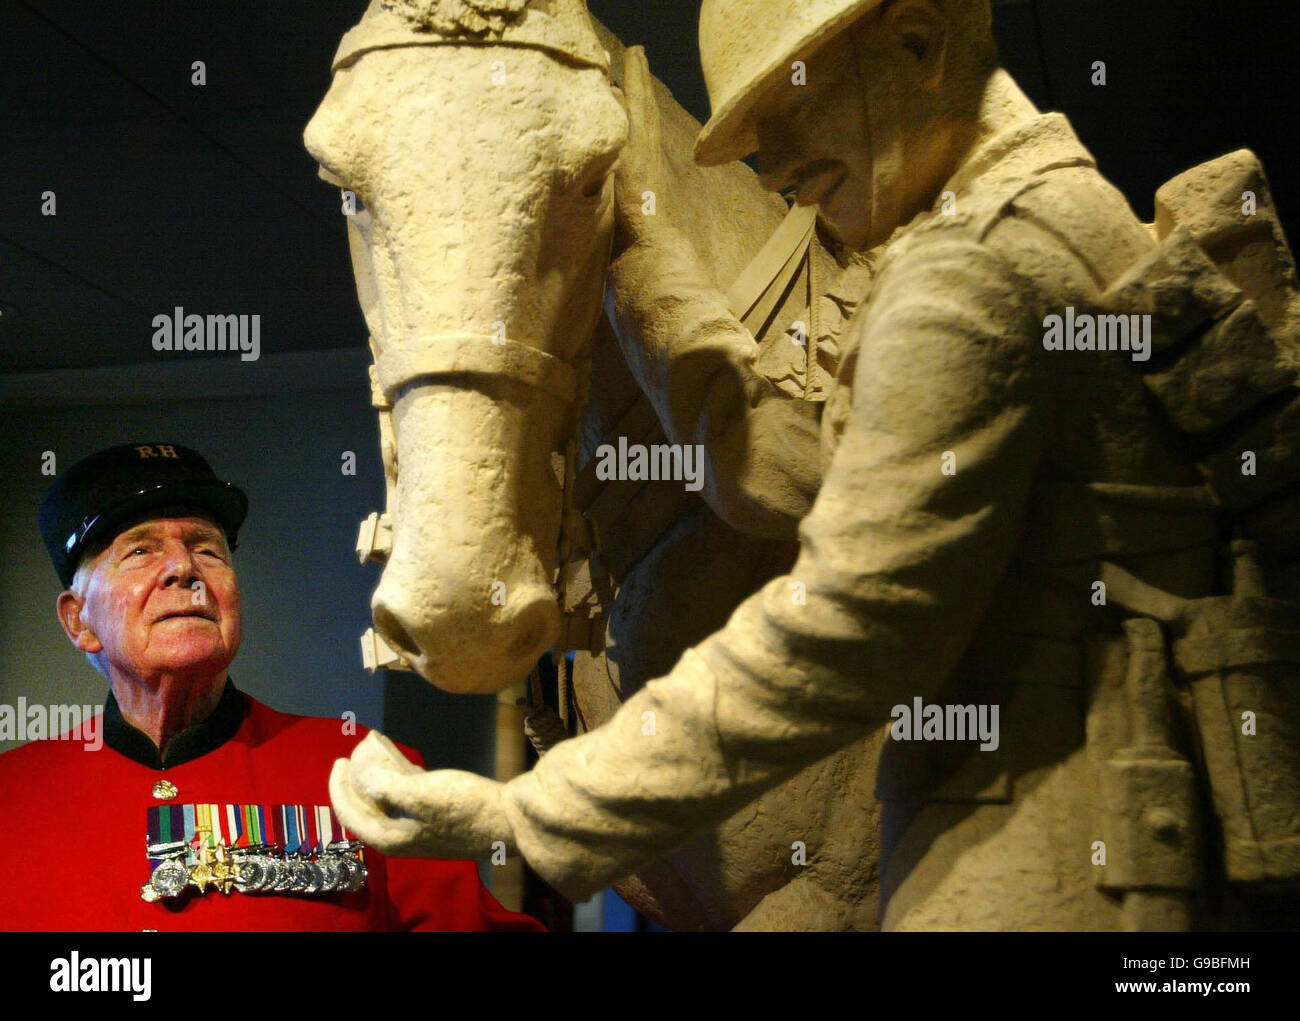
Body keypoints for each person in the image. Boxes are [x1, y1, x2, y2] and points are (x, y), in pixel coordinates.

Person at [332, 0, 1297, 929]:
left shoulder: (968, 277)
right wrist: (648, 269)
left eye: (789, 111)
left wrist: (522, 816)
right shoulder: (1060, 217)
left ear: (918, 43)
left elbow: (848, 634)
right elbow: (799, 474)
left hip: (1035, 872)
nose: (774, 163)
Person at [0, 442, 544, 931]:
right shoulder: (11, 797)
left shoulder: (366, 771)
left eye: (208, 549)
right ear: (79, 622)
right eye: (140, 550)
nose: (184, 568)